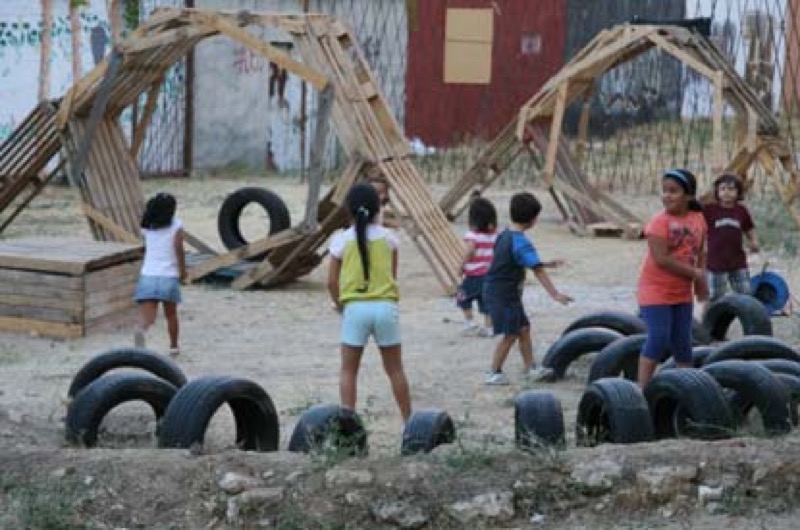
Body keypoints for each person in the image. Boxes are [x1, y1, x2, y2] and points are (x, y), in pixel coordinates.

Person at [328, 183, 411, 422]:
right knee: (395, 369)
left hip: (355, 308)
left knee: (348, 370)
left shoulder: (341, 240)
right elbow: (391, 276)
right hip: (385, 306)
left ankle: (349, 427)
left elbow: (332, 282)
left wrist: (339, 304)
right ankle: (411, 423)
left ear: (348, 210)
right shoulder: (389, 239)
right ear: (378, 209)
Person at [483, 192, 573, 385]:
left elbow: (515, 260)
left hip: (500, 292)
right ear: (533, 219)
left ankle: (530, 368)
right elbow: (537, 270)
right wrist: (555, 294)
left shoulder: (505, 235)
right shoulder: (521, 242)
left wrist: (546, 263)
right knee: (511, 333)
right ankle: (493, 372)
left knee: (523, 328)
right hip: (503, 296)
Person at [637, 169, 708, 388]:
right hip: (655, 291)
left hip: (681, 293)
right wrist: (695, 274)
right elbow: (662, 259)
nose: (666, 196)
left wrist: (700, 284)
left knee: (682, 343)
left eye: (673, 191)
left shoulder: (698, 219)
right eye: (664, 191)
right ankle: (642, 391)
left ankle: (689, 390)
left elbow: (701, 253)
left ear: (688, 196)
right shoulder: (659, 222)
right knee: (658, 339)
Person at [133, 192, 187, 357]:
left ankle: (140, 331)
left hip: (148, 275)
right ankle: (174, 346)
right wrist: (183, 272)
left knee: (148, 316)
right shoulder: (176, 226)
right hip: (168, 276)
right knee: (171, 315)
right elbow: (179, 250)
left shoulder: (147, 227)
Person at [702, 173, 759, 302]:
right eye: (723, 189)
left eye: (731, 189)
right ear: (717, 192)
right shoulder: (709, 210)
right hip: (715, 261)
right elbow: (697, 227)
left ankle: (748, 318)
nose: (726, 192)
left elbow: (749, 227)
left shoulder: (741, 210)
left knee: (746, 293)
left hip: (737, 260)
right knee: (714, 296)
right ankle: (711, 320)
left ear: (738, 192)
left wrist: (754, 241)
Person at [457, 196, 498, 336]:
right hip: (489, 274)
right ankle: (489, 327)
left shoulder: (473, 236)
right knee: (486, 301)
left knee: (462, 295)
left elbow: (470, 251)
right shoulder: (495, 236)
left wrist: (461, 266)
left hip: (474, 275)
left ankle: (470, 322)